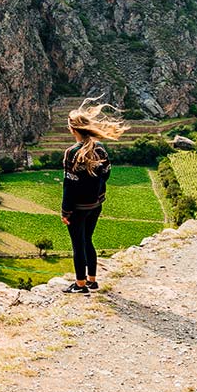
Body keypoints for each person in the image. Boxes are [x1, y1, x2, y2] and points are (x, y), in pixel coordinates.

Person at [61, 102, 128, 294]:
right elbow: (106, 174)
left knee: (78, 245)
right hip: (96, 204)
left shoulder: (72, 153)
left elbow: (69, 185)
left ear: (72, 129)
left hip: (78, 208)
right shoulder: (100, 149)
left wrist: (66, 211)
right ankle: (92, 280)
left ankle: (80, 284)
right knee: (88, 240)